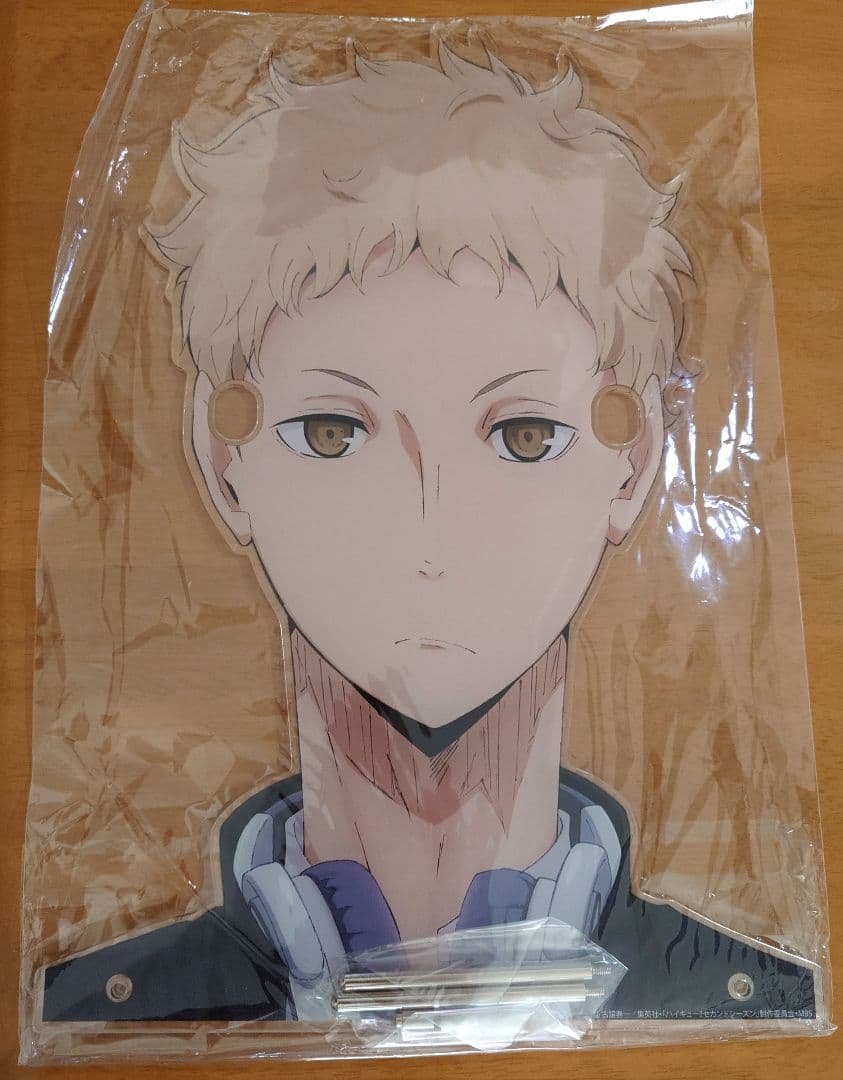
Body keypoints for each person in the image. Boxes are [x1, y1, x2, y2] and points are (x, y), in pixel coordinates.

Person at [42, 41, 815, 1025]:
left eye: (523, 436)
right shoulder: (111, 1016)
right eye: (333, 433)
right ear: (224, 456)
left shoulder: (739, 1007)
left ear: (633, 464)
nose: (428, 530)